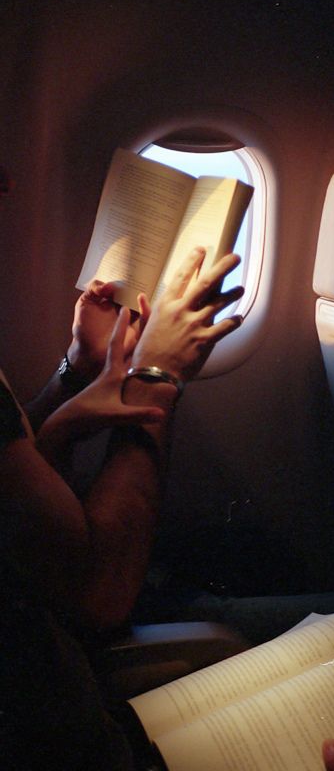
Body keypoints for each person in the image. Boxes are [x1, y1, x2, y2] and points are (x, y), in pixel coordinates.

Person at [0, 243, 245, 769]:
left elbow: (13, 476)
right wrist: (156, 378)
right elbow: (100, 592)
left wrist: (78, 368)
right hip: (55, 701)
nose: (9, 178)